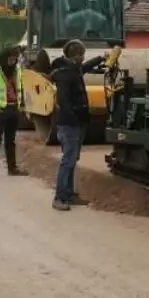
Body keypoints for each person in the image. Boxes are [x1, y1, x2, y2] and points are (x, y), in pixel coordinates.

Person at [48, 39, 106, 210]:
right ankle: (59, 197)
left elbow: (85, 67)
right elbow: (63, 101)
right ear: (75, 56)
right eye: (82, 55)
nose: (83, 58)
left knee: (72, 160)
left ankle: (69, 194)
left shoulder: (72, 69)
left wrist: (100, 59)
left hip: (77, 122)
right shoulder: (66, 74)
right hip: (70, 124)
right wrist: (74, 119)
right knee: (68, 160)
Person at [0, 46, 28, 181]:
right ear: (5, 57)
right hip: (0, 110)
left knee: (11, 141)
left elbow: (20, 88)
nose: (12, 61)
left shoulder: (17, 70)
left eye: (15, 59)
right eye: (10, 59)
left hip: (13, 109)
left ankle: (12, 167)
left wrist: (21, 106)